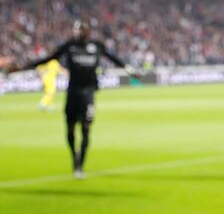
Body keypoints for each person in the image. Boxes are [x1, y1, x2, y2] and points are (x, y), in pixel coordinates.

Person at [3, 20, 137, 179]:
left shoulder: (96, 46)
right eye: (76, 30)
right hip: (72, 93)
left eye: (81, 30)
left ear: (88, 31)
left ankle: (80, 165)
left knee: (86, 129)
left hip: (88, 94)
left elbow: (113, 58)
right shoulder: (69, 45)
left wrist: (129, 70)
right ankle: (74, 157)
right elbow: (48, 58)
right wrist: (22, 68)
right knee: (70, 130)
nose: (78, 32)